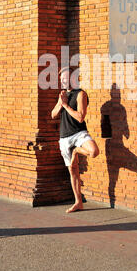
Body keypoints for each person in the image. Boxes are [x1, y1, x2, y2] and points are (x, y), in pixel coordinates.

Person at [51, 66, 99, 213]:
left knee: (94, 151)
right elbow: (53, 115)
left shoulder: (81, 94)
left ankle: (77, 150)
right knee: (73, 171)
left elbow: (80, 117)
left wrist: (65, 105)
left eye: (65, 78)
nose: (63, 81)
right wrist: (60, 103)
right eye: (61, 79)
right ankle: (78, 202)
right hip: (64, 137)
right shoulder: (63, 95)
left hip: (78, 133)